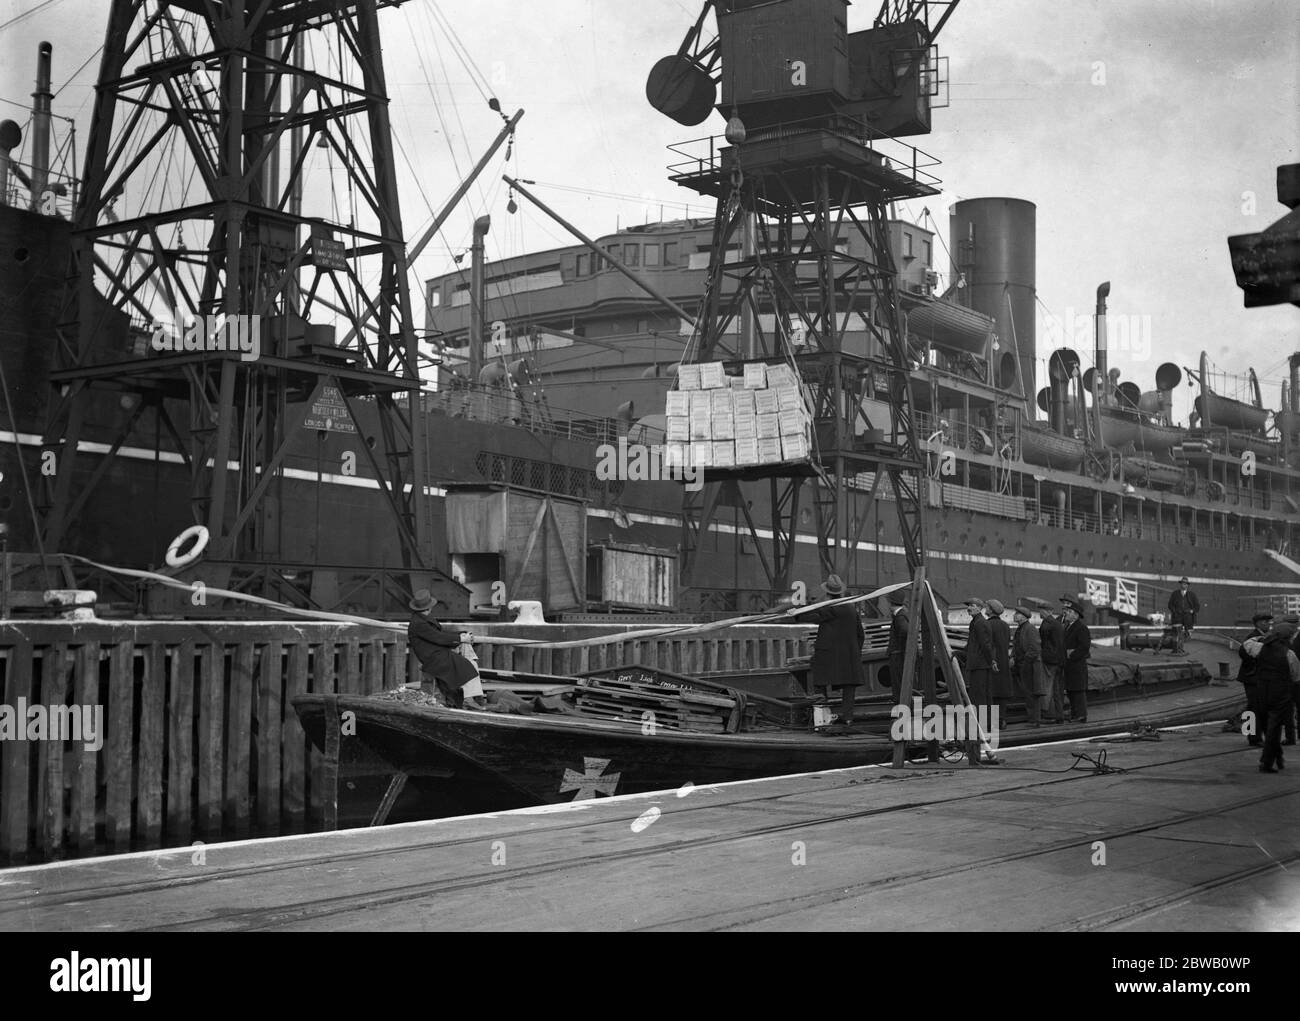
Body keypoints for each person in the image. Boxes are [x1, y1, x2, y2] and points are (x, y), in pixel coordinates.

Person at [793, 574, 866, 725]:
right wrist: (854, 652)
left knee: (819, 681)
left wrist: (796, 614)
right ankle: (848, 718)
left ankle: (823, 718)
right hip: (848, 655)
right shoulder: (851, 609)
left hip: (828, 655)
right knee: (849, 686)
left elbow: (813, 616)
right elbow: (860, 634)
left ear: (827, 593)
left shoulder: (830, 609)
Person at [408, 589, 483, 709]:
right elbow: (439, 637)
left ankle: (471, 696)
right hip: (433, 658)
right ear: (429, 607)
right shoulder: (419, 624)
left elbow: (441, 634)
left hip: (437, 653)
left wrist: (462, 635)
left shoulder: (421, 619)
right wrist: (461, 638)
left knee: (467, 655)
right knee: (468, 665)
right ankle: (470, 698)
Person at [1243, 620, 1299, 772]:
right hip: (1280, 694)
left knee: (1269, 727)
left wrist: (1264, 638)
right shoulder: (1289, 654)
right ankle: (1266, 762)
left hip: (1262, 691)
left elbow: (1247, 644)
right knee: (1273, 729)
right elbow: (1296, 676)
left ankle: (1277, 757)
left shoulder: (1261, 649)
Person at [1238, 611, 1272, 746]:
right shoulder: (1253, 637)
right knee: (1254, 708)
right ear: (1258, 623)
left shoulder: (1264, 636)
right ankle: (1253, 738)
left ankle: (1255, 735)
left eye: (1269, 622)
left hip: (1258, 678)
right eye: (1265, 622)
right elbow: (1243, 652)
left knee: (1258, 707)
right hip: (1252, 678)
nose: (1268, 624)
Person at [1011, 604, 1046, 726]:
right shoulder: (1020, 629)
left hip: (1029, 665)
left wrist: (1025, 662)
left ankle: (1035, 720)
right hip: (1023, 664)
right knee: (1028, 693)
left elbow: (1035, 648)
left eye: (1017, 614)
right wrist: (1013, 658)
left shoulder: (1030, 629)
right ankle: (1032, 718)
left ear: (1024, 617)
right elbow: (1017, 646)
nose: (1015, 616)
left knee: (1032, 693)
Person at [1060, 596, 1091, 722]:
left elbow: (1084, 647)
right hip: (1070, 666)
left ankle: (1081, 715)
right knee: (1072, 690)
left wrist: (1071, 655)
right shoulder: (1069, 626)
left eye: (1069, 612)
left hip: (1077, 665)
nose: (1066, 613)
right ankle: (1075, 714)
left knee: (1078, 691)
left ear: (1076, 615)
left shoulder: (1081, 628)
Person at [963, 597, 994, 713]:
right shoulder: (976, 622)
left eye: (972, 606)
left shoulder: (980, 623)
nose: (969, 608)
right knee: (978, 694)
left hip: (980, 665)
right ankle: (983, 722)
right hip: (978, 664)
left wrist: (990, 661)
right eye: (968, 606)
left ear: (980, 608)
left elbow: (985, 645)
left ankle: (983, 723)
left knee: (980, 695)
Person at [987, 599, 1014, 721]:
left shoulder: (987, 625)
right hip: (1003, 661)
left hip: (992, 662)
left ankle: (992, 721)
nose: (985, 609)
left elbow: (988, 645)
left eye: (987, 607)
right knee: (1001, 693)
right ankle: (1002, 719)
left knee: (990, 692)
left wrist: (992, 659)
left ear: (991, 610)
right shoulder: (1005, 626)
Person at [1039, 605, 1066, 724]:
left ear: (1047, 612)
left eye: (1041, 611)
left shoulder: (1046, 624)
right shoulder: (1057, 624)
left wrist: (1043, 656)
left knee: (1048, 688)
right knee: (1057, 689)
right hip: (1059, 660)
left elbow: (1044, 643)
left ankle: (1048, 714)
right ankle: (1059, 715)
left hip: (1049, 661)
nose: (1040, 613)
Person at [885, 589, 911, 705]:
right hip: (899, 653)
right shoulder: (903, 614)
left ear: (891, 603)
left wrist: (899, 648)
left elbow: (905, 631)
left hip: (897, 654)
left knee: (898, 682)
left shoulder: (900, 617)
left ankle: (900, 705)